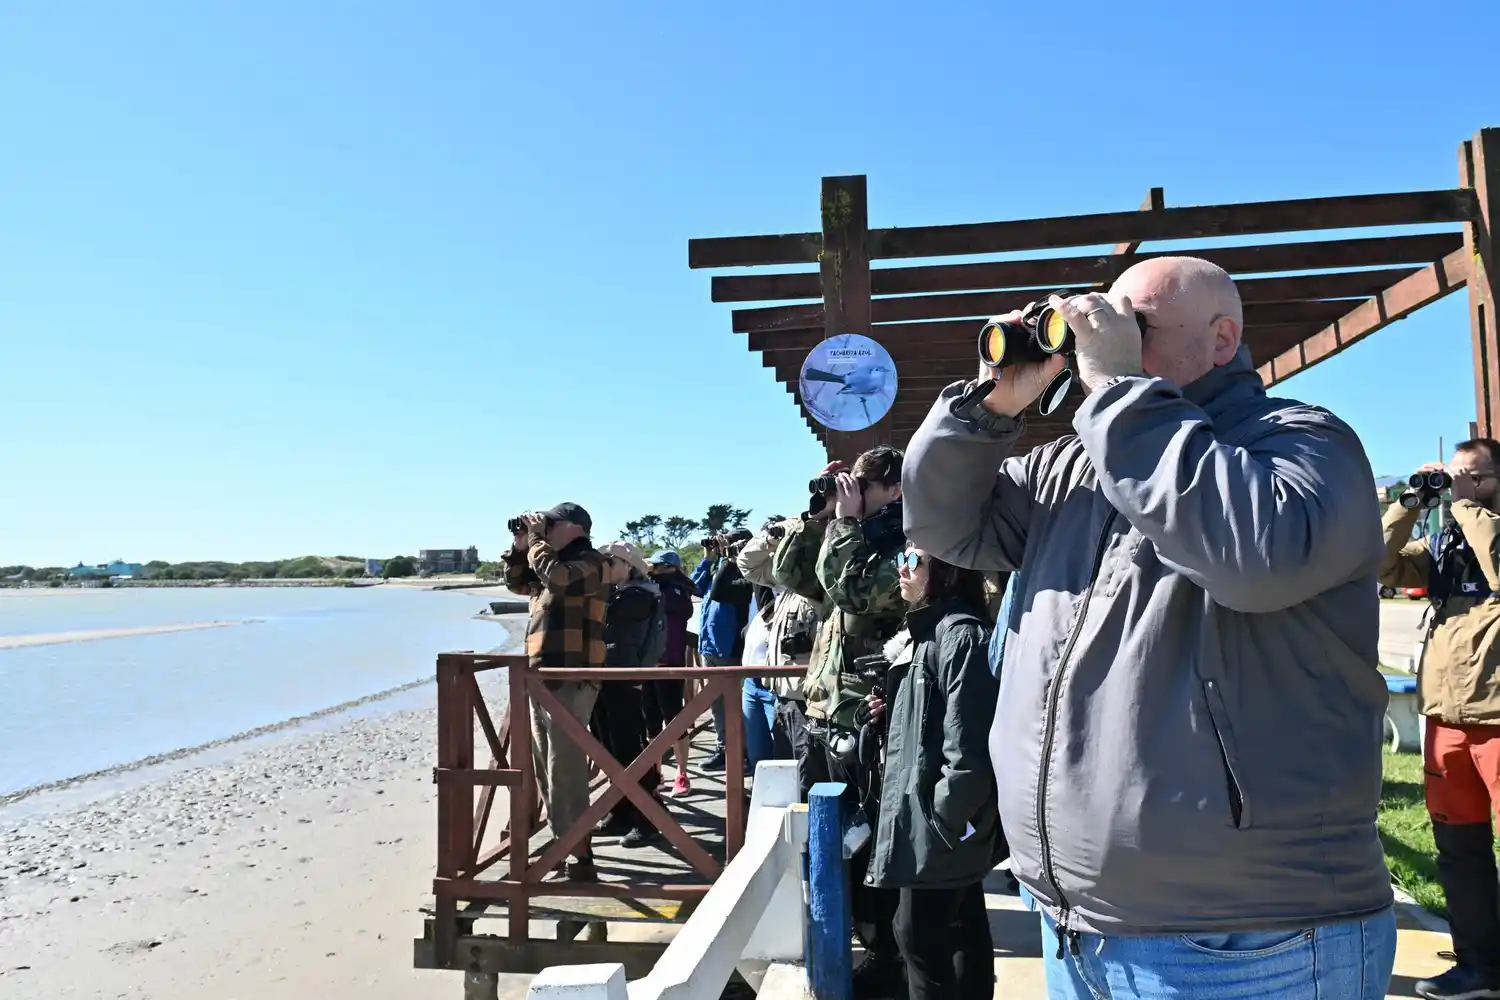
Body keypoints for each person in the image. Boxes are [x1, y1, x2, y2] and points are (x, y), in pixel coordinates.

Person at [903, 256, 1395, 998]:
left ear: (1222, 338)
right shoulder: (1073, 464)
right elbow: (942, 524)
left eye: (1132, 325)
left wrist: (1118, 392)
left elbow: (1253, 558)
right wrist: (988, 409)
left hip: (1250, 941)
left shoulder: (1303, 444)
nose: (1102, 339)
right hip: (1077, 925)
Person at [776, 447, 909, 995]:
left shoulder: (908, 541)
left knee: (873, 843)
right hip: (828, 712)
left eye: (861, 485)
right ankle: (857, 940)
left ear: (895, 490)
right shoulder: (848, 538)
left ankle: (887, 955)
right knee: (835, 839)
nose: (849, 494)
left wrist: (846, 524)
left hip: (872, 718)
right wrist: (820, 517)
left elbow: (852, 589)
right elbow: (791, 575)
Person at [1382, 439, 1500, 1000]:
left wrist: (1466, 503)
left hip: (1497, 719)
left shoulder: (1482, 528)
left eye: (1471, 477)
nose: (1457, 487)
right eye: (1452, 477)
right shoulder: (1445, 541)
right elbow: (1379, 563)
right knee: (1460, 854)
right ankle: (1481, 968)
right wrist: (1408, 504)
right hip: (1447, 721)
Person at [865, 544, 1000, 1000]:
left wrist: (944, 821)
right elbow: (935, 719)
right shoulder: (931, 631)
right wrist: (892, 713)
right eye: (901, 558)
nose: (901, 569)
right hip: (939, 819)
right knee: (960, 927)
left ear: (946, 570)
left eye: (913, 561)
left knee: (917, 934)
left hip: (940, 822)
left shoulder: (961, 635)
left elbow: (969, 750)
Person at [501, 502, 609, 881]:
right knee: (547, 770)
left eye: (550, 523)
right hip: (542, 678)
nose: (544, 528)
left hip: (572, 676)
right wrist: (520, 546)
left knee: (565, 769)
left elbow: (560, 580)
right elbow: (517, 583)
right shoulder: (549, 561)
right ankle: (564, 847)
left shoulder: (591, 562)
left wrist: (535, 541)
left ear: (574, 527)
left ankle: (579, 855)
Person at [589, 541, 663, 849]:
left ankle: (649, 818)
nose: (604, 565)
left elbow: (605, 614)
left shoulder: (637, 596)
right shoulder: (619, 593)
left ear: (629, 566)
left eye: (610, 561)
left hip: (624, 680)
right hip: (606, 678)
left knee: (628, 751)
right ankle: (621, 811)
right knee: (607, 748)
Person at [738, 516, 824, 766]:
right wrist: (773, 537)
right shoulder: (787, 587)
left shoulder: (817, 586)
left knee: (807, 773)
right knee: (784, 768)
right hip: (783, 696)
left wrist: (801, 529)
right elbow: (747, 564)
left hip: (808, 700)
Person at [691, 528, 754, 770]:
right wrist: (708, 559)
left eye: (726, 544)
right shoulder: (717, 568)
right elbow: (693, 588)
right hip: (709, 647)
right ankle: (724, 749)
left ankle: (743, 752)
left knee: (737, 706)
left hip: (731, 649)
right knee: (717, 706)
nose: (721, 549)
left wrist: (730, 559)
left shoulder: (745, 573)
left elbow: (720, 592)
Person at [647, 550, 695, 797]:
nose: (653, 570)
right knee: (651, 722)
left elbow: (667, 604)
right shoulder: (654, 588)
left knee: (674, 721)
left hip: (670, 663)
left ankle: (682, 773)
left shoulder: (676, 591)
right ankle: (656, 773)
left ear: (670, 568)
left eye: (657, 566)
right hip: (649, 663)